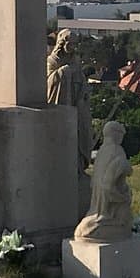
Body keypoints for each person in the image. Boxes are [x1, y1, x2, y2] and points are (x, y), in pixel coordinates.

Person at [74, 121, 132, 242]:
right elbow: (112, 178)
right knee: (125, 203)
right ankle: (108, 219)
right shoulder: (117, 149)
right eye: (121, 134)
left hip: (99, 197)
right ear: (115, 134)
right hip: (109, 196)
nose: (121, 138)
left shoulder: (102, 151)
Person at [47, 29, 92, 177]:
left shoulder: (75, 61)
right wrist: (64, 72)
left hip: (77, 105)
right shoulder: (52, 61)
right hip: (61, 106)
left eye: (75, 44)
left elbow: (82, 80)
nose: (73, 47)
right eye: (70, 44)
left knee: (81, 134)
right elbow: (48, 82)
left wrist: (83, 90)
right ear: (62, 43)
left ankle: (78, 166)